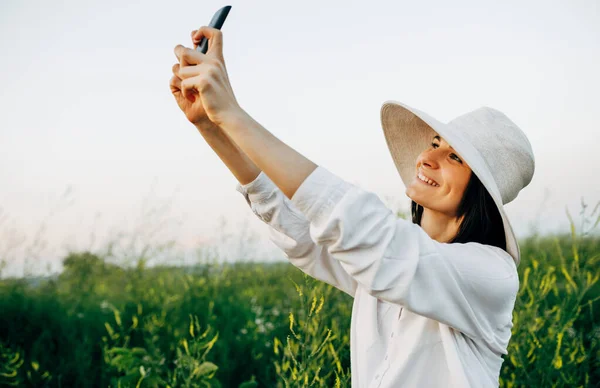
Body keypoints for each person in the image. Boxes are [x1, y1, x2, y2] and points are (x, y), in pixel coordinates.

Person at [170, 26, 535, 388]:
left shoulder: (492, 275)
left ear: (481, 195)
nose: (427, 157)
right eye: (435, 143)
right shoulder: (387, 265)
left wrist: (232, 113)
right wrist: (211, 124)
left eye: (454, 156)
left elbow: (367, 236)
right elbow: (302, 230)